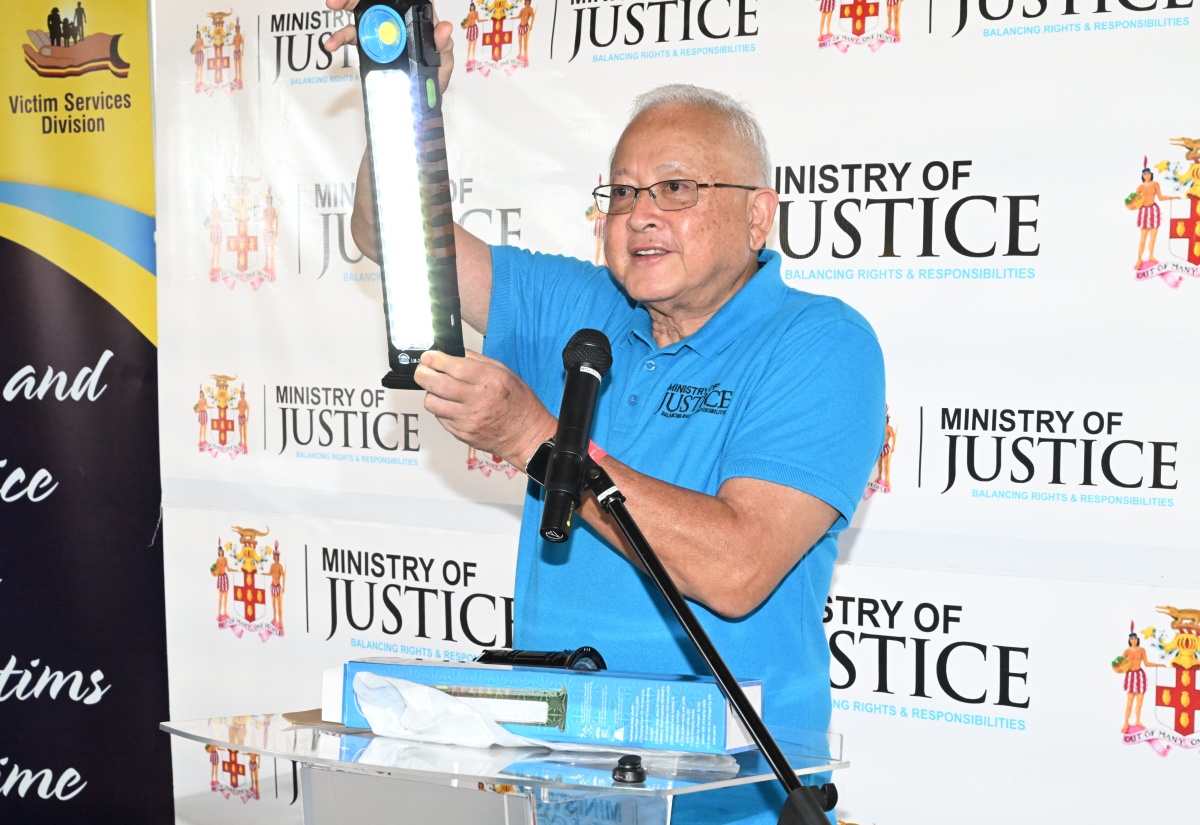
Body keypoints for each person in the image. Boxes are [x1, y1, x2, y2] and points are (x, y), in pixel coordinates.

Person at [325, 6, 885, 822]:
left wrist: (531, 437)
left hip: (729, 801)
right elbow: (392, 235)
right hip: (562, 791)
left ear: (758, 215)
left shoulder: (821, 344)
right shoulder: (581, 305)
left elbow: (737, 568)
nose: (640, 214)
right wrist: (410, 97)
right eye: (621, 192)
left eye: (677, 189)